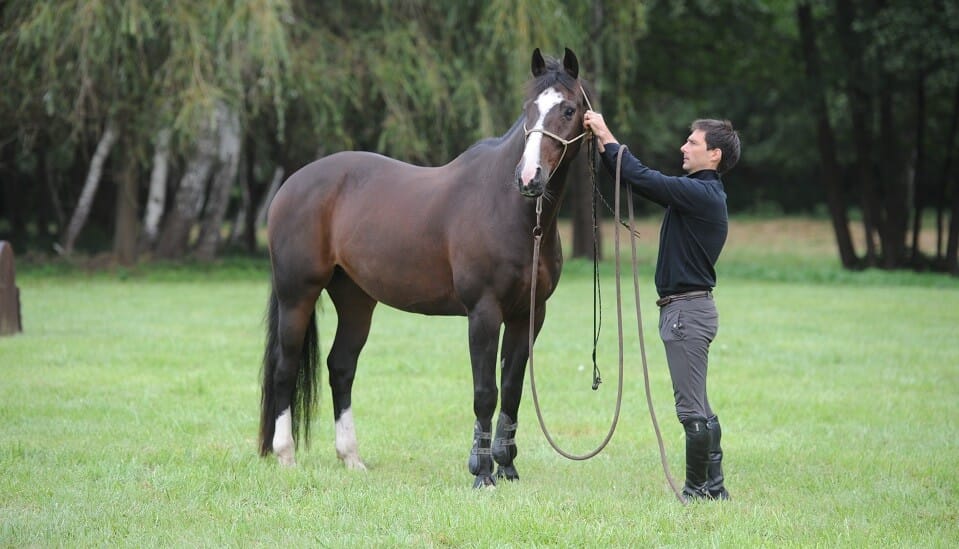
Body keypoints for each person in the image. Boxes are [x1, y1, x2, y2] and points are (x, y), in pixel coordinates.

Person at [584, 111, 740, 502]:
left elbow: (642, 178)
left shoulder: (701, 193)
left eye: (693, 142)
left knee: (691, 410)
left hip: (685, 315)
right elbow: (634, 176)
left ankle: (697, 490)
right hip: (689, 311)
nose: (683, 147)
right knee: (700, 403)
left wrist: (604, 132)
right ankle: (715, 489)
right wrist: (605, 147)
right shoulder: (703, 194)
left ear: (714, 155)